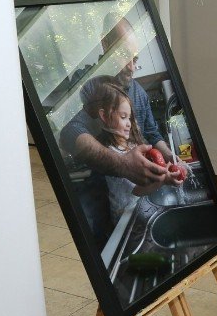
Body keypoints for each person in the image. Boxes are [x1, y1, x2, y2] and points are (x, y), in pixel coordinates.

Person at [60, 15, 175, 247]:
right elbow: (70, 133)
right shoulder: (90, 86)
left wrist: (171, 157)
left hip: (132, 198)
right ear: (105, 44)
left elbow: (152, 133)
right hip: (95, 193)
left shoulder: (138, 93)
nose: (132, 68)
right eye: (124, 56)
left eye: (135, 59)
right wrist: (123, 164)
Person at [81, 76, 178, 222]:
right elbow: (138, 189)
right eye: (123, 117)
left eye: (129, 118)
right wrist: (163, 180)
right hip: (125, 219)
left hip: (139, 209)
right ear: (104, 116)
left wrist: (165, 167)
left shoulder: (131, 146)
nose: (128, 124)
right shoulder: (113, 155)